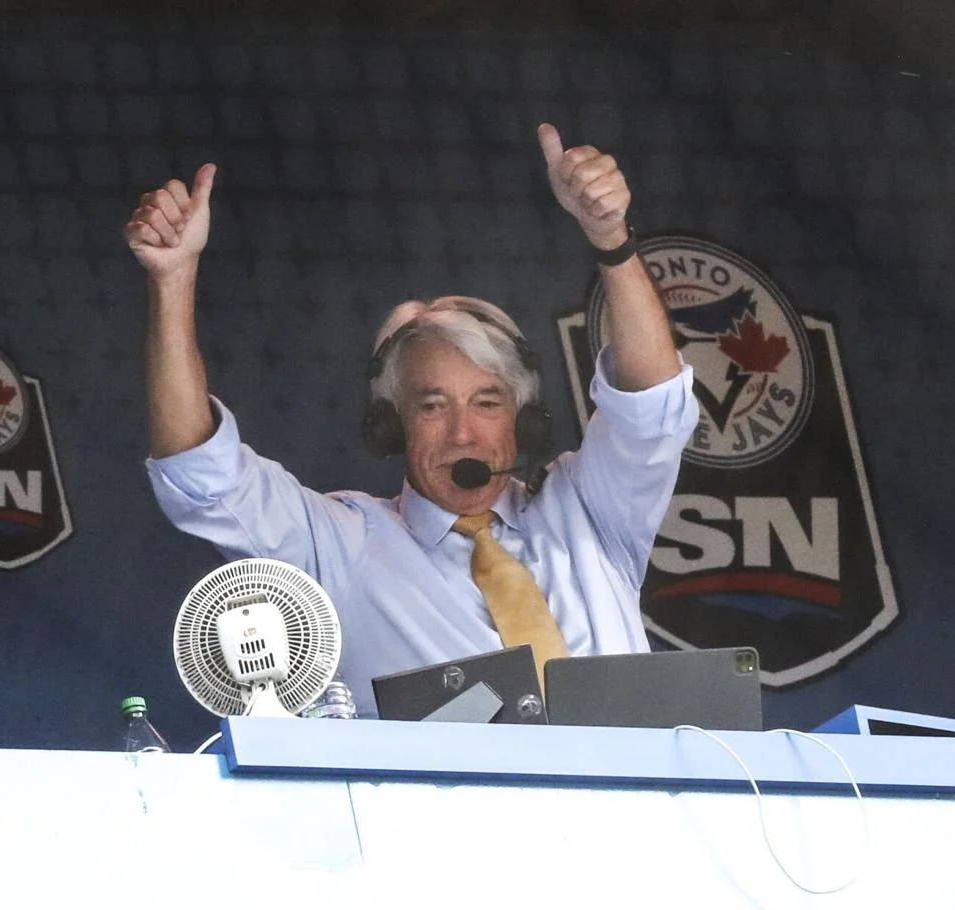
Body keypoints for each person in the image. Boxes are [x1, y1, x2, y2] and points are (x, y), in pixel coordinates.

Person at [126, 124, 698, 718]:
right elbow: (201, 472)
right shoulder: (342, 544)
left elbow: (652, 404)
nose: (462, 433)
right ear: (391, 421)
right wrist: (172, 280)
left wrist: (610, 239)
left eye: (487, 402)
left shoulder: (589, 510)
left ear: (523, 417)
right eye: (432, 406)